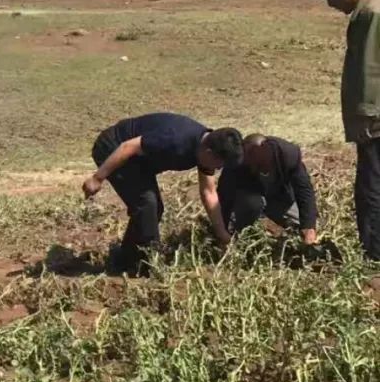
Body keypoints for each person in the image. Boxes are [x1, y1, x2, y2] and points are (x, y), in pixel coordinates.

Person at [83, 113, 244, 273]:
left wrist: (222, 234)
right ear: (209, 153)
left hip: (139, 161)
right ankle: (150, 263)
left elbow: (208, 192)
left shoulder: (206, 147)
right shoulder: (176, 139)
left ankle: (125, 259)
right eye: (219, 165)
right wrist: (97, 178)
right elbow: (128, 147)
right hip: (113, 147)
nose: (217, 169)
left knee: (151, 209)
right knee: (147, 204)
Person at [313, 0, 380, 259]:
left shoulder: (371, 14)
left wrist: (366, 116)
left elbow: (369, 69)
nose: (329, 4)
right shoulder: (367, 11)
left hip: (375, 119)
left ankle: (374, 254)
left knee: (371, 188)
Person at [217, 134, 318, 244]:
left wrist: (308, 227)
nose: (249, 160)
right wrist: (222, 232)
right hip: (249, 200)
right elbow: (224, 196)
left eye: (252, 155)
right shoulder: (236, 161)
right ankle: (244, 233)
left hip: (279, 197)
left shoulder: (288, 155)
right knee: (253, 204)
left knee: (300, 224)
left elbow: (304, 189)